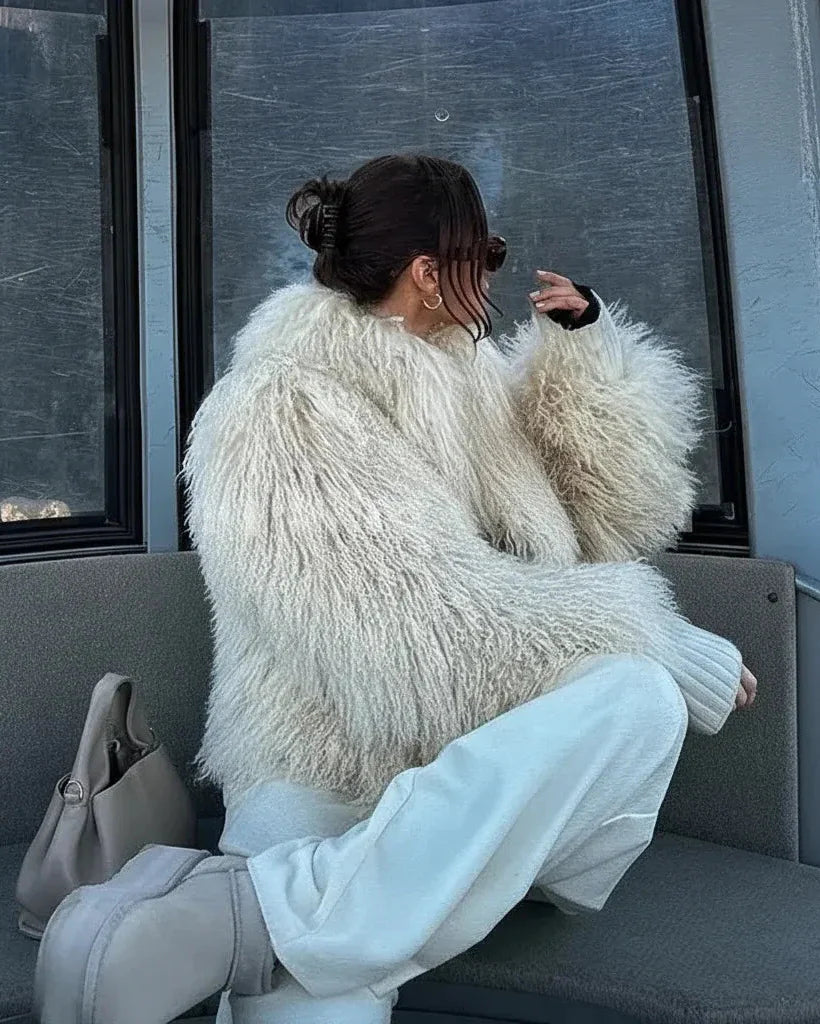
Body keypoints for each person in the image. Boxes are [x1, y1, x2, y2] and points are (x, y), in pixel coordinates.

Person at [34, 154, 757, 1024]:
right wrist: (663, 636)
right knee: (319, 985)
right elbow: (413, 637)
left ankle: (254, 915)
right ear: (426, 271)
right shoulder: (281, 406)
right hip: (326, 776)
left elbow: (611, 521)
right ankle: (295, 914)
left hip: (482, 791)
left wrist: (580, 354)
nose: (491, 275)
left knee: (639, 699)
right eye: (483, 254)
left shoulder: (472, 383)